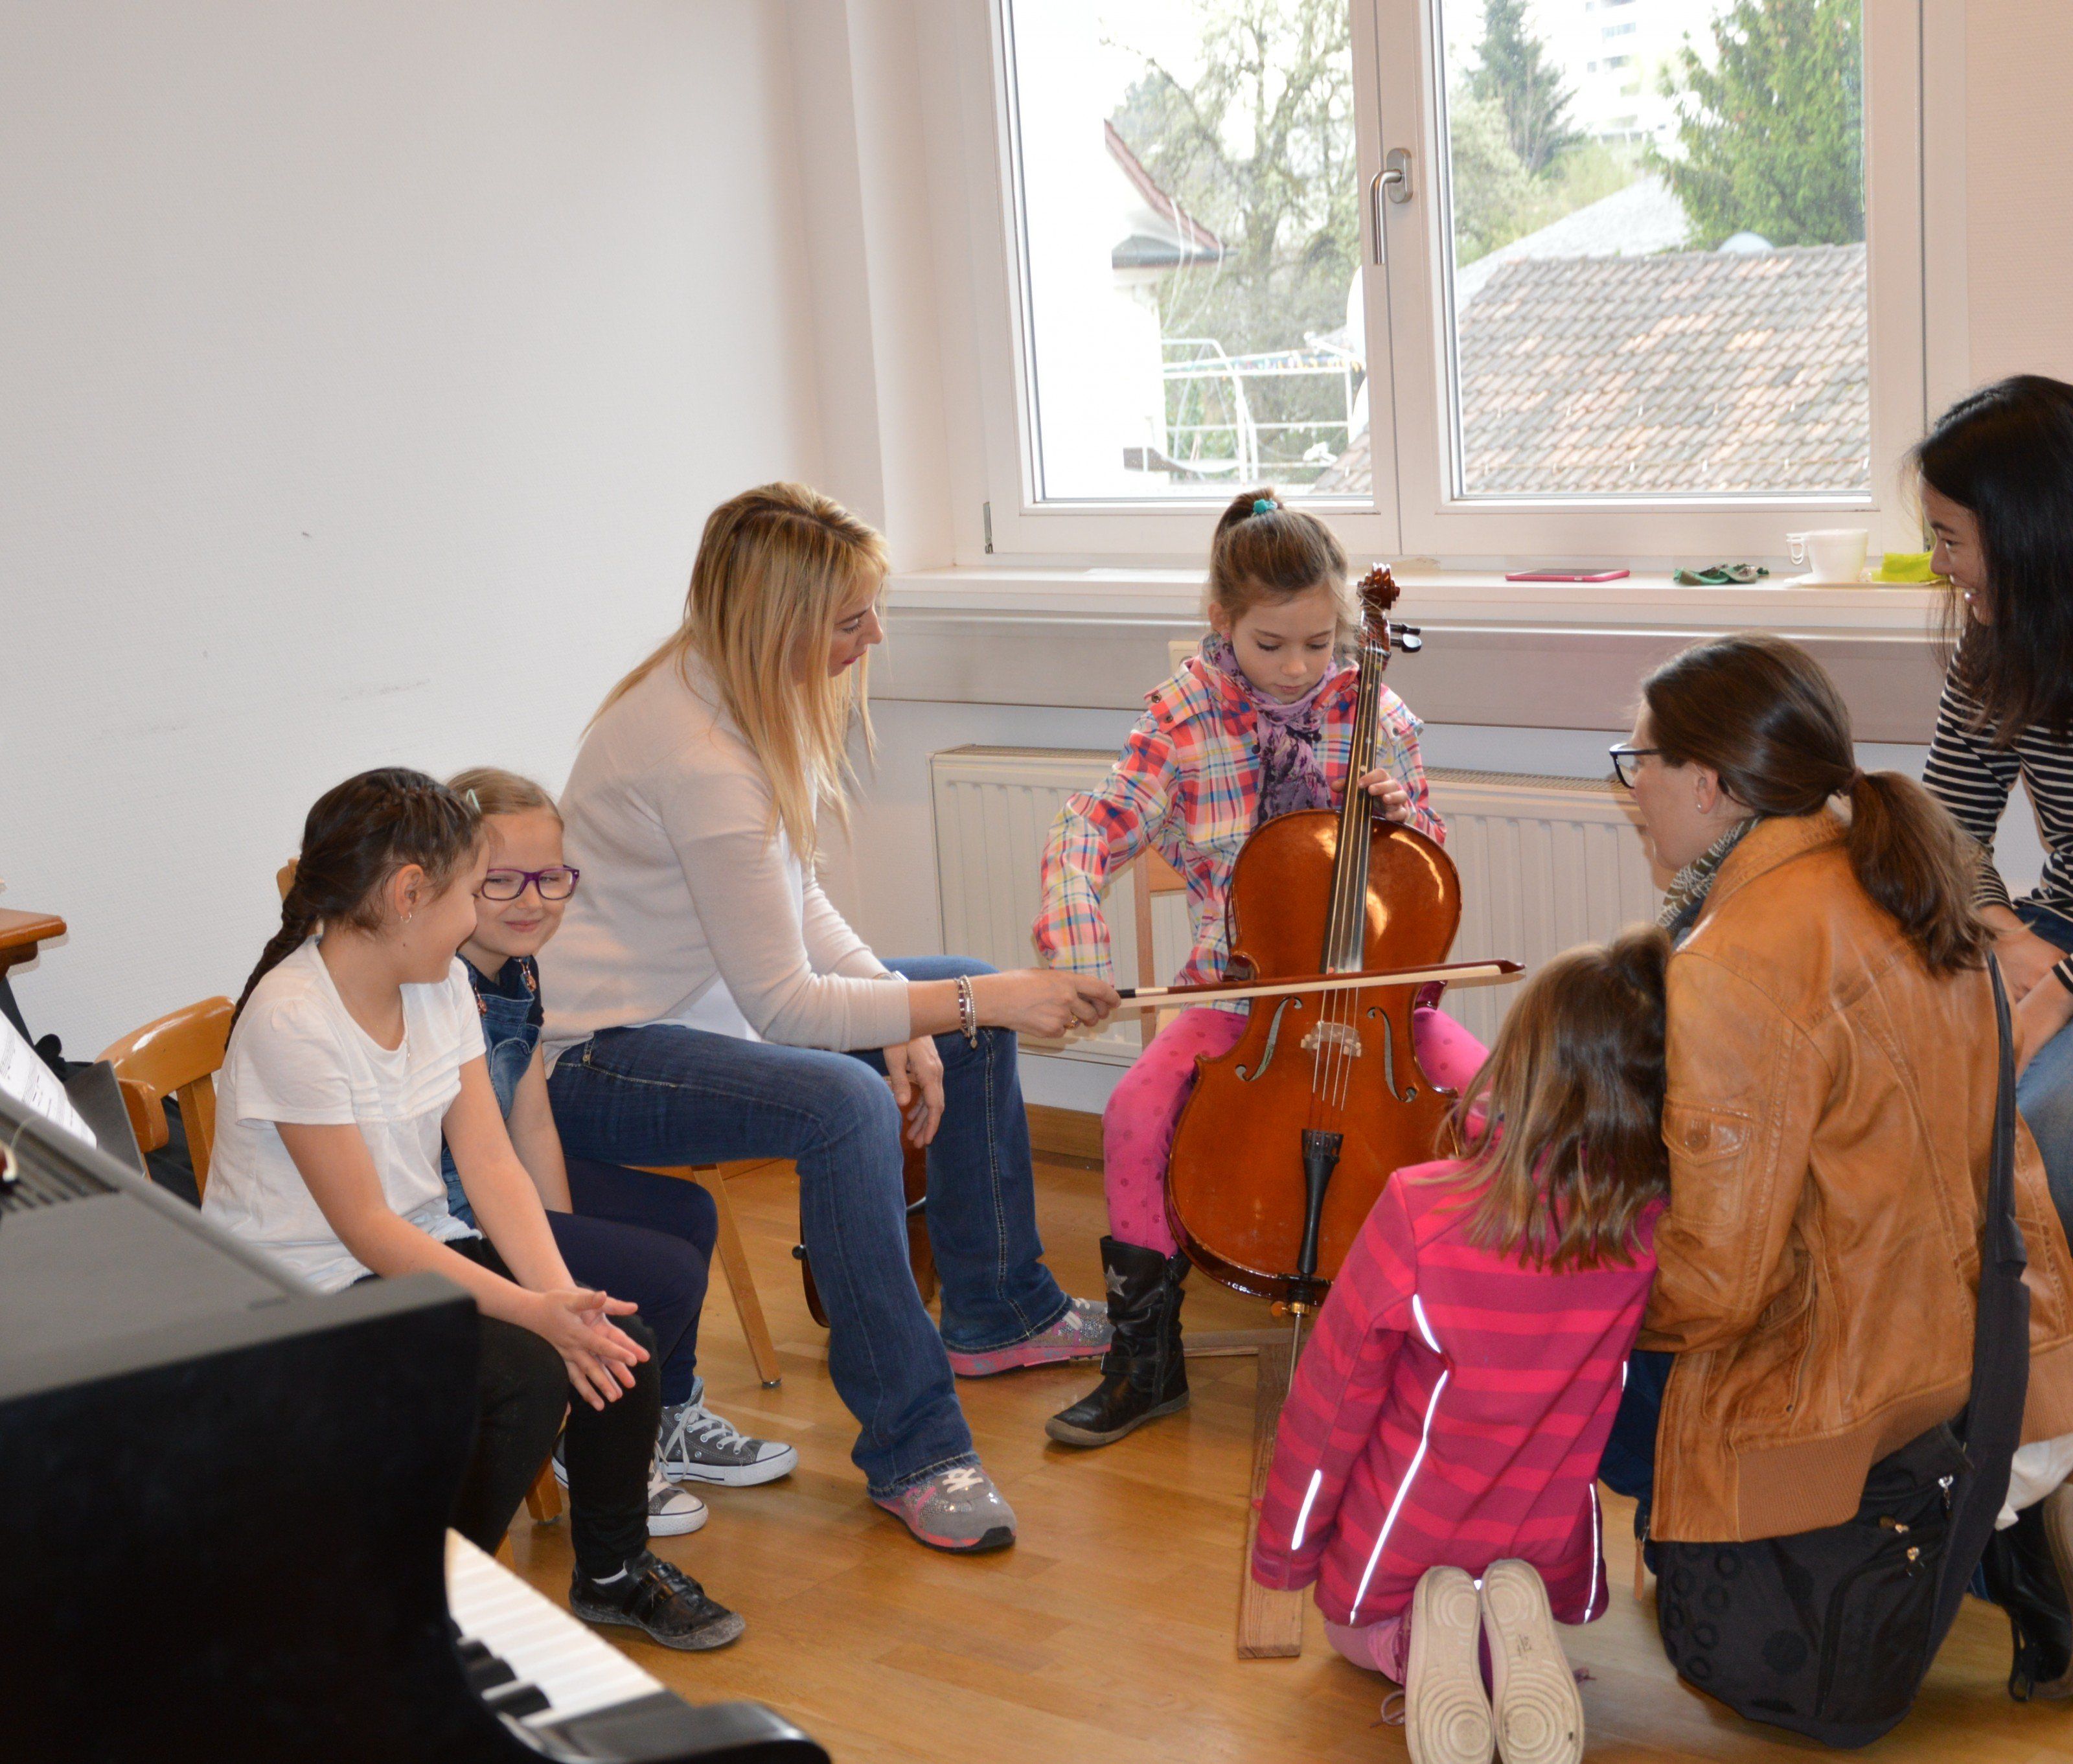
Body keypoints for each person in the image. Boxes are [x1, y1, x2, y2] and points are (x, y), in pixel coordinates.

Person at [540, 483, 1121, 1555]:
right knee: (852, 1100)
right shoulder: (698, 752)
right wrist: (981, 999)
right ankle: (917, 1450)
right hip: (597, 1061)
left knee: (953, 1008)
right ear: (780, 619)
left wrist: (924, 1014)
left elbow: (797, 904)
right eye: (852, 616)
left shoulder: (736, 694)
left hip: (699, 1017)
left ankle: (1001, 1312)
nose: (874, 635)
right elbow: (790, 1005)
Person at [1603, 632, 2073, 1695]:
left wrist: (1584, 1280)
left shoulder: (1732, 959)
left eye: (1643, 764)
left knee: (1593, 1309)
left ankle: (1685, 1552)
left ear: (1711, 784)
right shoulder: (1894, 875)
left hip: (1861, 1381)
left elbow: (1717, 1282)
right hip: (1996, 1339)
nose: (1634, 794)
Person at [202, 770, 741, 1649]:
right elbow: (365, 1227)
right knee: (522, 1370)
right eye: (465, 891)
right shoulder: (293, 1015)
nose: (469, 919)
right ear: (409, 894)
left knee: (617, 1343)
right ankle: (427, 1602)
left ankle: (611, 1573)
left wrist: (566, 1302)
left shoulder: (437, 981)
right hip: (301, 1291)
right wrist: (536, 1315)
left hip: (409, 1250)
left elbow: (489, 1159)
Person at [1033, 488, 1482, 1447]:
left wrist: (1403, 818)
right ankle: (1144, 1361)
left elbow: (1431, 876)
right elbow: (1090, 828)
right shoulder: (1181, 715)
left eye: (1321, 642)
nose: (1299, 667)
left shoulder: (1376, 709)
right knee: (1134, 1112)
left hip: (1375, 1001)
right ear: (1219, 619)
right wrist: (1080, 947)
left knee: (1496, 1112)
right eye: (1271, 643)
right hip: (1239, 994)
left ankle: (1451, 1351)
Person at [1252, 929, 1670, 1764]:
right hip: (1543, 1539)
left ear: (1517, 1061)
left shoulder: (1421, 1207)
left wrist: (1285, 1552)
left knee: (1343, 1631)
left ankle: (1420, 1646)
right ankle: (1513, 1628)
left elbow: (1330, 1404)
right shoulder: (1652, 1228)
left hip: (1402, 1534)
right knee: (1517, 1569)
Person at [440, 767, 797, 1517]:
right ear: (449, 880)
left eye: (550, 877)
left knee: (688, 1216)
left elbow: (532, 1119)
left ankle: (666, 1411)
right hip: (451, 1211)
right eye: (500, 881)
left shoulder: (519, 970)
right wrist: (559, 1256)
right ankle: (601, 1442)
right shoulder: (441, 983)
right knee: (663, 1273)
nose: (532, 899)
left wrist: (569, 1234)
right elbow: (475, 1159)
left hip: (497, 1178)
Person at [1916, 377, 2073, 1232]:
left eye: (1950, 538)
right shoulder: (1998, 638)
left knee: (2047, 1124)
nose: (1942, 565)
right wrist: (2000, 927)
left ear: (2028, 534)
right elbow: (1943, 826)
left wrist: (2057, 987)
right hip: (2051, 927)